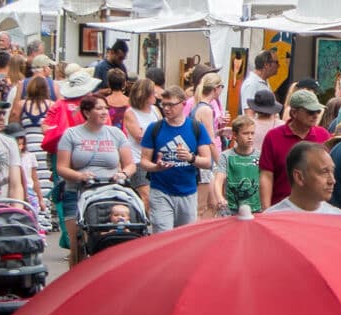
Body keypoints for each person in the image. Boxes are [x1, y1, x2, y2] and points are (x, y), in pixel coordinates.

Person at [54, 93, 136, 263]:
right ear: (86, 112)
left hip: (110, 193)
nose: (105, 112)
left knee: (111, 239)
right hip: (77, 192)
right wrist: (79, 175)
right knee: (77, 244)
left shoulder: (116, 134)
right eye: (99, 108)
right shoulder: (71, 134)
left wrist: (123, 174)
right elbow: (61, 167)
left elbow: (130, 164)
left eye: (106, 108)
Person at [138, 86, 215, 232]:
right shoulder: (154, 128)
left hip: (188, 192)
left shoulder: (196, 128)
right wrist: (156, 167)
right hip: (160, 191)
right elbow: (143, 161)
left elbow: (206, 162)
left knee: (184, 237)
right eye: (163, 104)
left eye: (171, 105)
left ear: (183, 104)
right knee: (163, 235)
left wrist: (191, 158)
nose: (166, 109)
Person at [257, 89, 331, 211]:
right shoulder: (273, 136)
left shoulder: (323, 135)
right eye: (310, 111)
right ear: (294, 113)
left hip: (316, 209)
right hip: (281, 209)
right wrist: (266, 209)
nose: (315, 115)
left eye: (317, 111)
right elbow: (266, 175)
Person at [266, 141, 341, 215]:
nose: (332, 181)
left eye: (332, 171)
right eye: (324, 172)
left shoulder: (338, 218)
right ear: (299, 177)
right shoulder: (270, 219)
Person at [220, 115, 263, 216]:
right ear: (235, 135)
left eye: (252, 133)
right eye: (245, 133)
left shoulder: (260, 156)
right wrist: (220, 197)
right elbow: (219, 179)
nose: (250, 137)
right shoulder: (226, 156)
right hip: (232, 209)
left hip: (256, 209)